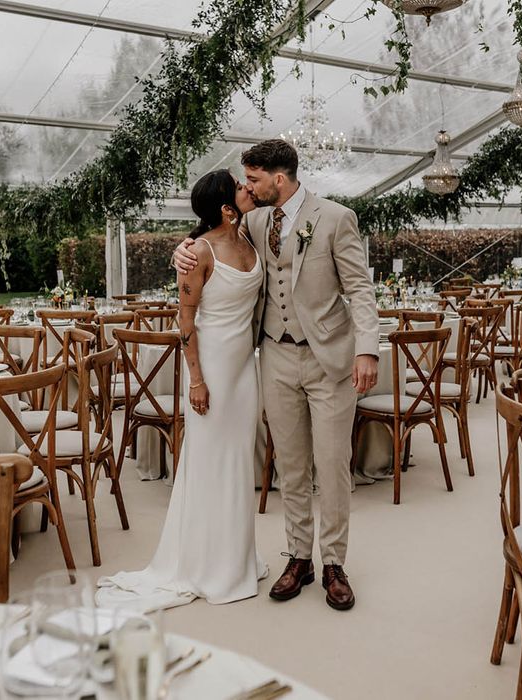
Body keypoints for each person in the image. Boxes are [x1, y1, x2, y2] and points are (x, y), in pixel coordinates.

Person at [173, 140, 379, 611]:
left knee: (330, 466)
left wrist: (367, 350)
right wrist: (181, 251)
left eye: (253, 180)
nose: (247, 187)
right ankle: (298, 558)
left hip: (329, 357)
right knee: (290, 465)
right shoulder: (256, 218)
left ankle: (334, 564)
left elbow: (360, 290)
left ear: (277, 179)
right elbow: (210, 235)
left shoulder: (336, 218)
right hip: (273, 357)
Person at [96, 169, 268, 610]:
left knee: (237, 464)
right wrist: (195, 379)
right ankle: (205, 564)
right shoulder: (199, 254)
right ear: (226, 208)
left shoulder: (251, 237)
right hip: (209, 370)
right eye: (241, 188)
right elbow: (185, 322)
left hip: (244, 372)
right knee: (208, 464)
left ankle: (236, 558)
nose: (249, 189)